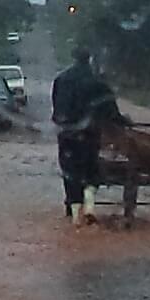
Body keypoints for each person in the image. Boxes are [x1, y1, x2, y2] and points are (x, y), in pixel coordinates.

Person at [51, 45, 119, 227]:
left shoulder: (60, 80)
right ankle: (89, 204)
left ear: (73, 58)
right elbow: (111, 111)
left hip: (66, 135)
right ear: (89, 59)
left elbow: (56, 111)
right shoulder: (98, 82)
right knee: (91, 169)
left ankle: (75, 216)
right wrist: (122, 121)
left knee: (70, 172)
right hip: (89, 135)